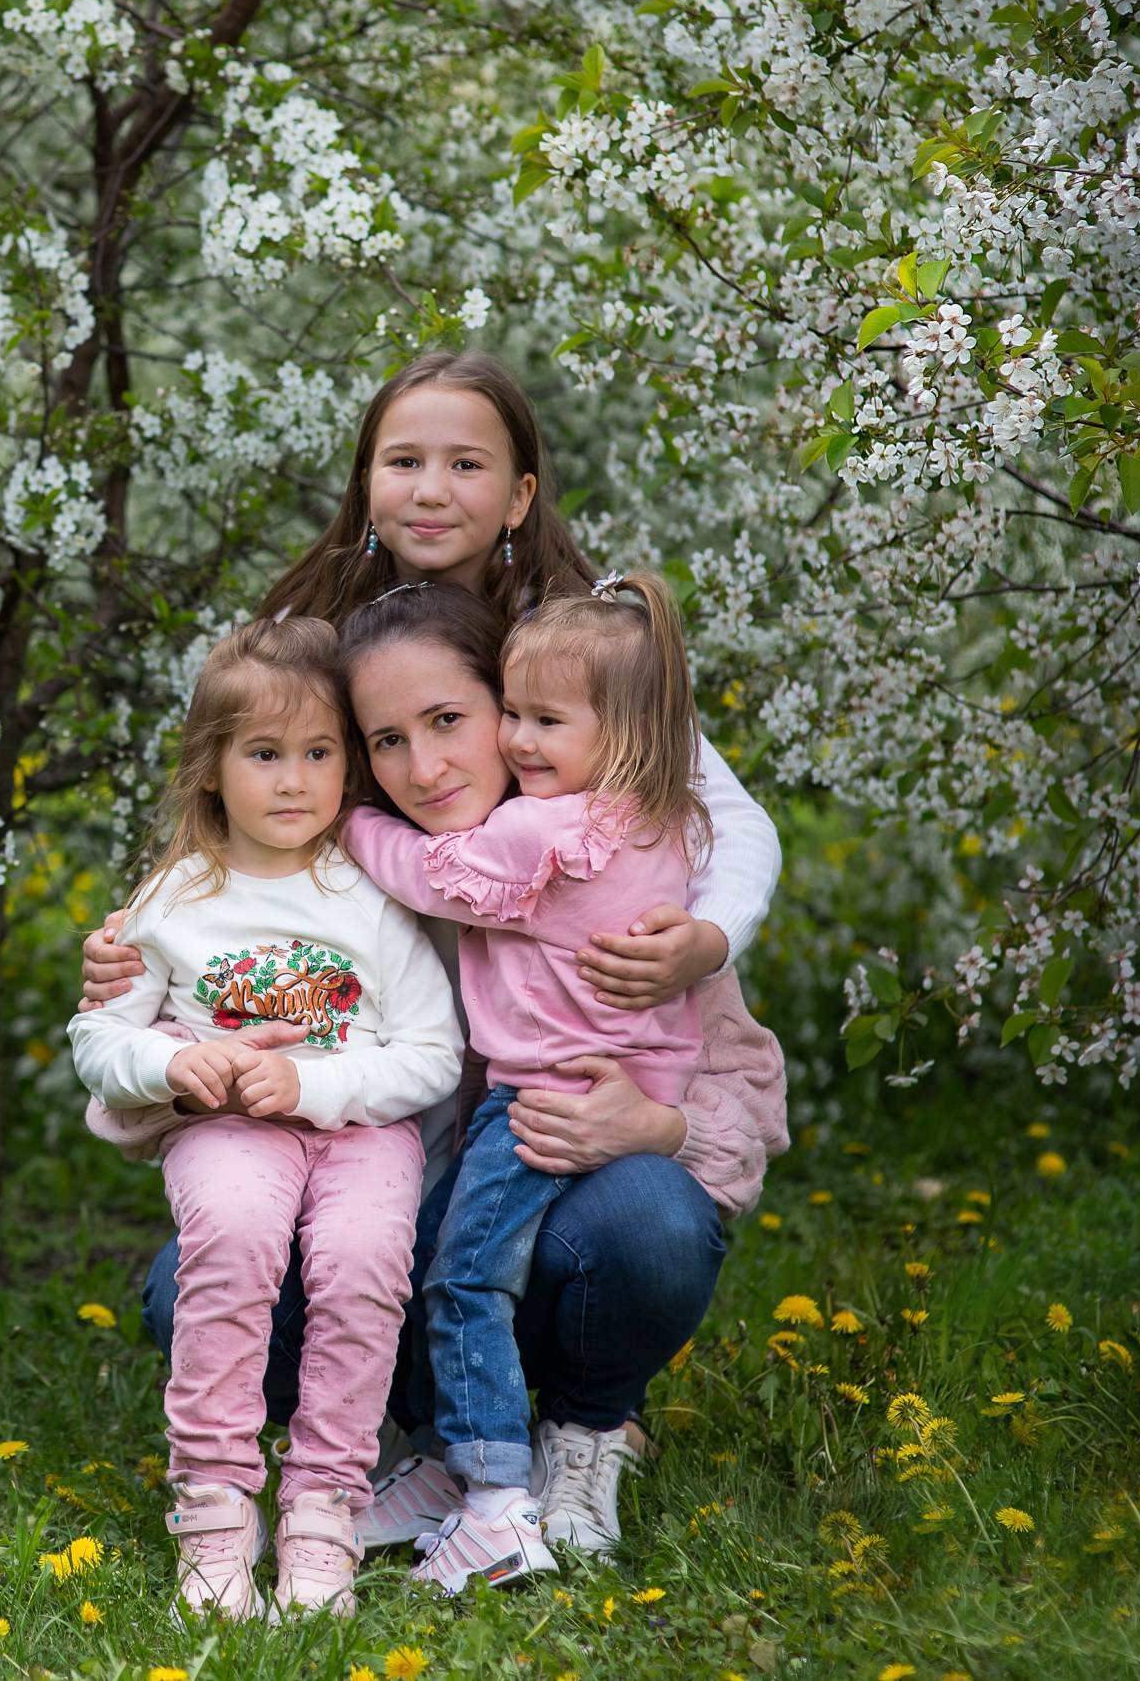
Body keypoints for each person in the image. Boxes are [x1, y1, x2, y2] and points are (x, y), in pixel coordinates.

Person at [81, 352, 786, 1560]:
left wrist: (702, 950)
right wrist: (144, 961)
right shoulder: (332, 661)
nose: (430, 489)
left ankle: (583, 1426)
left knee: (646, 1224)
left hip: (556, 1098)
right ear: (362, 483)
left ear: (521, 494)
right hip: (382, 1118)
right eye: (402, 460)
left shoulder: (578, 683)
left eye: (467, 463)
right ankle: (411, 1440)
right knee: (197, 1283)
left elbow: (733, 822)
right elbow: (245, 817)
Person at [67, 617, 466, 1621]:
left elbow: (430, 1054)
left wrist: (317, 1088)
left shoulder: (371, 897)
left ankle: (324, 1517)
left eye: (319, 754)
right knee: (234, 1249)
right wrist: (175, 1058)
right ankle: (213, 1519)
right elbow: (100, 1044)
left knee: (367, 1264)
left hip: (360, 1134)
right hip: (227, 1129)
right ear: (212, 769)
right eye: (265, 755)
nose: (294, 781)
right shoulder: (174, 899)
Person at [339, 572, 708, 1593]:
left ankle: (493, 1496)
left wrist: (350, 823)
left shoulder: (542, 831)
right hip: (623, 1073)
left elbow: (430, 873)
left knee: (462, 1277)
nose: (523, 744)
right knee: (445, 1243)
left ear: (622, 730)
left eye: (546, 721)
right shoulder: (660, 819)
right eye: (522, 716)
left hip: (542, 1094)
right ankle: (434, 1469)